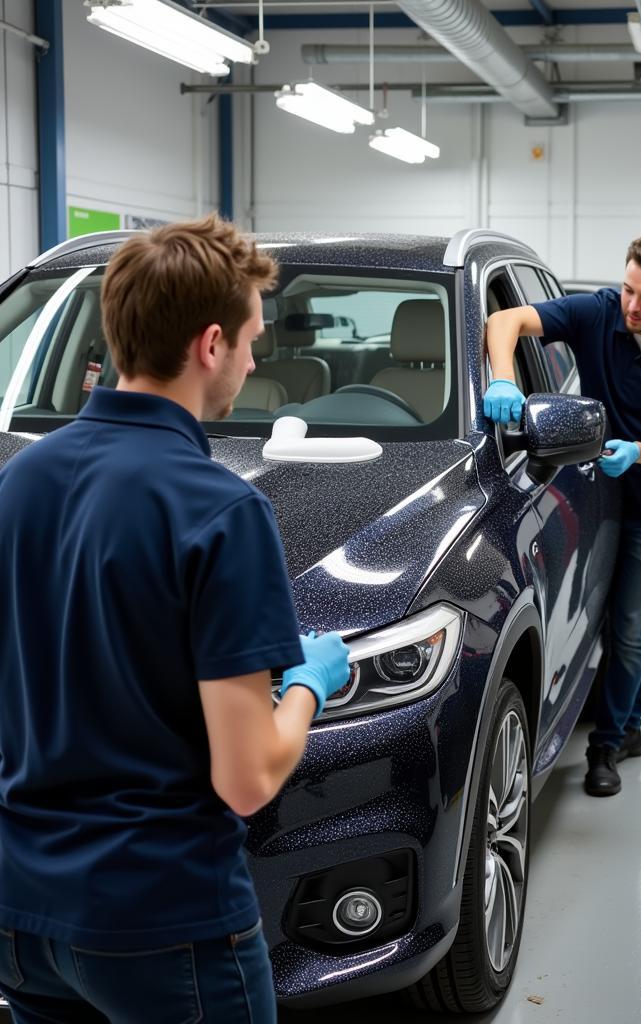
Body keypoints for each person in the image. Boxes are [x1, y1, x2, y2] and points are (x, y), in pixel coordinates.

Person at [0, 216, 348, 1022]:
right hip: (159, 920)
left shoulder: (21, 483)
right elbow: (248, 776)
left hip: (22, 911)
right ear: (212, 343)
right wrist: (307, 686)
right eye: (255, 340)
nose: (257, 361)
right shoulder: (221, 511)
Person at [484, 233, 641, 797]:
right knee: (605, 618)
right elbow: (505, 323)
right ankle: (631, 720)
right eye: (628, 290)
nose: (632, 306)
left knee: (633, 627)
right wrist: (502, 375)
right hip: (591, 498)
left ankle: (607, 743)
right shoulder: (598, 312)